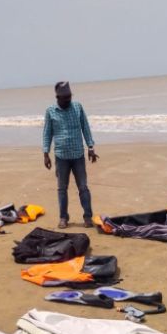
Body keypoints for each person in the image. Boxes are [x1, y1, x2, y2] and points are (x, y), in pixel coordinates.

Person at [42, 81, 99, 229]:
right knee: (62, 189)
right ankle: (63, 218)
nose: (68, 99)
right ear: (58, 97)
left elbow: (85, 127)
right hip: (61, 157)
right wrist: (46, 153)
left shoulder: (78, 107)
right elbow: (47, 133)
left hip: (78, 155)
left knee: (83, 187)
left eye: (69, 96)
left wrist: (91, 147)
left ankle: (87, 217)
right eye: (65, 97)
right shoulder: (51, 111)